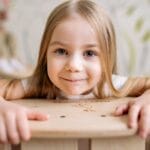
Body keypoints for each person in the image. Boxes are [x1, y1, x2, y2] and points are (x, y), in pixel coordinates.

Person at [0, 0, 150, 145]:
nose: (73, 66)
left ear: (107, 59)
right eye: (61, 51)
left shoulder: (110, 85)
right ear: (45, 54)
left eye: (90, 53)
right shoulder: (39, 84)